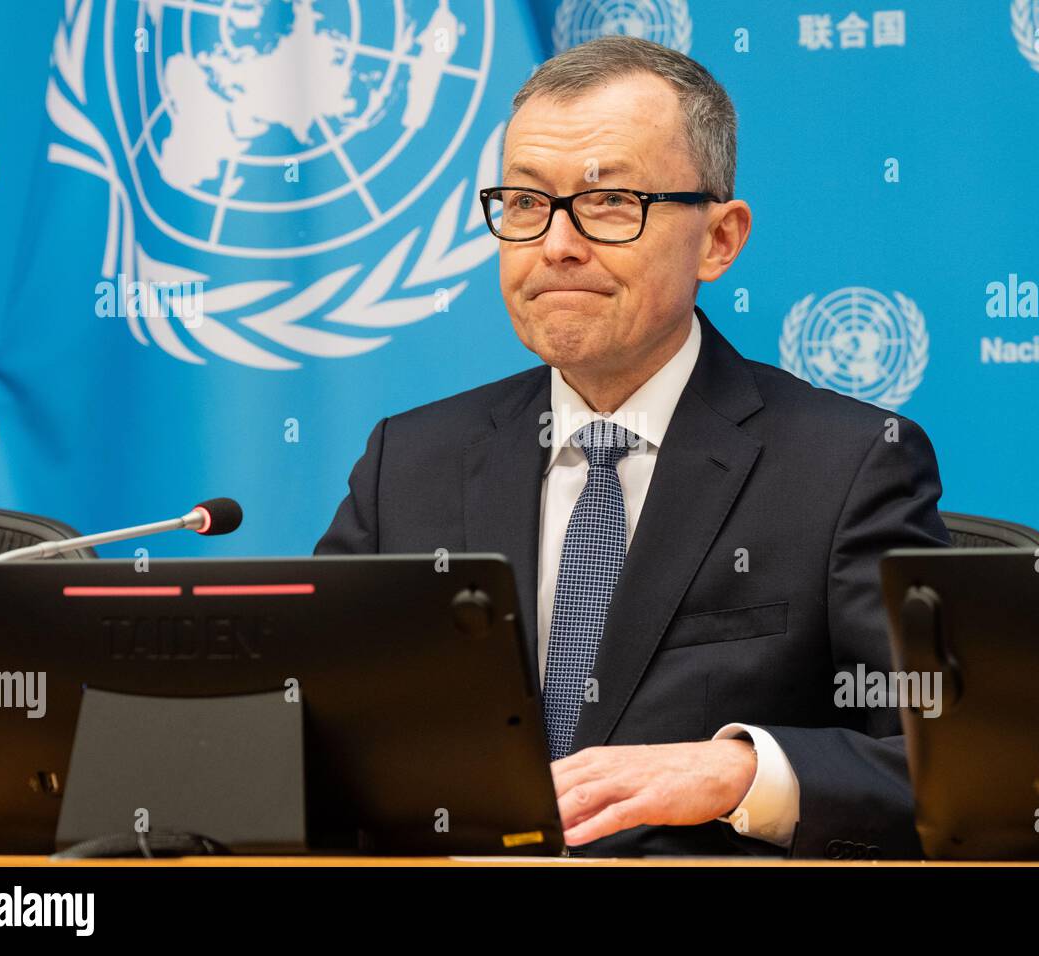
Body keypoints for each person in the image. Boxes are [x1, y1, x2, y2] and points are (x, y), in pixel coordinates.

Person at [316, 35, 949, 858]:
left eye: (610, 202)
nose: (556, 245)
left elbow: (949, 767)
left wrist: (744, 774)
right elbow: (302, 727)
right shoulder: (410, 463)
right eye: (525, 202)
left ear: (719, 240)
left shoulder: (847, 467)